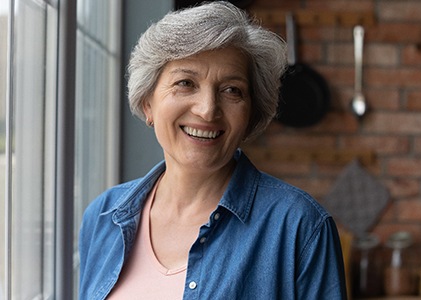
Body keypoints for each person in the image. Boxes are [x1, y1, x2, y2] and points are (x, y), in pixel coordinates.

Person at [78, 2, 346, 299]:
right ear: (147, 102)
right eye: (185, 83)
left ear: (250, 115)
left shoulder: (300, 227)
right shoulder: (103, 217)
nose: (207, 110)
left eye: (232, 90)